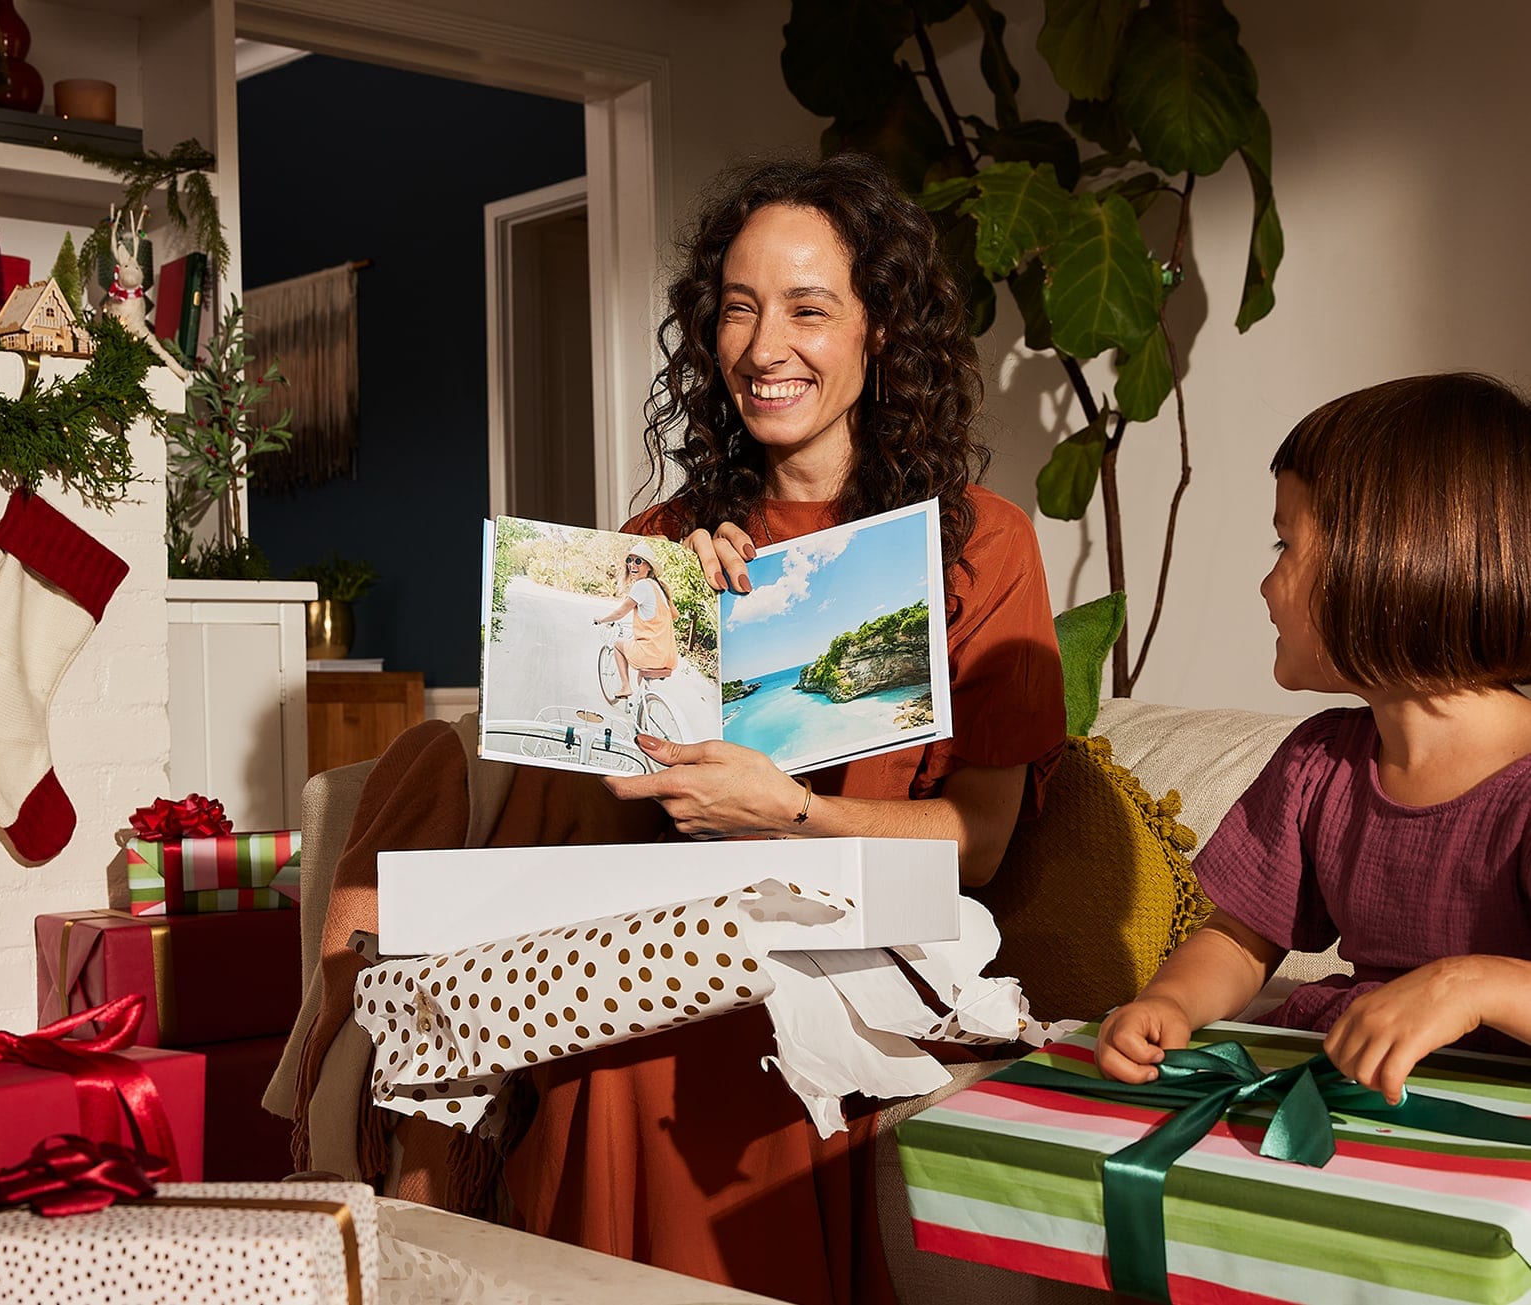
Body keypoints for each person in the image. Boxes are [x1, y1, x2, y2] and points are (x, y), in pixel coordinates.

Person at [281, 152, 1064, 1305]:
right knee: (620, 1008)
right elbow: (574, 807)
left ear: (881, 331)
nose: (763, 347)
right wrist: (668, 653)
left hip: (867, 922)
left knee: (656, 1040)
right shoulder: (664, 537)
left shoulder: (979, 542)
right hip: (656, 913)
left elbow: (982, 841)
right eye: (737, 310)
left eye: (808, 308)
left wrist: (788, 810)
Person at [1096, 373, 1531, 1106]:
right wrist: (1169, 1001)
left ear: (1389, 559)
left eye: (1285, 542)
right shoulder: (1318, 762)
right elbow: (1241, 937)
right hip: (1349, 1105)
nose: (1267, 584)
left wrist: (1470, 982)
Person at [593, 538, 679, 698]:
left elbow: (620, 613)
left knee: (618, 645)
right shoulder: (659, 587)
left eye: (638, 561)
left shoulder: (642, 585)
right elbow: (674, 615)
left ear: (648, 567)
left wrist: (601, 619)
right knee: (639, 658)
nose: (632, 565)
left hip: (652, 654)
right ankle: (645, 705)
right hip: (668, 656)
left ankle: (626, 687)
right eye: (629, 560)